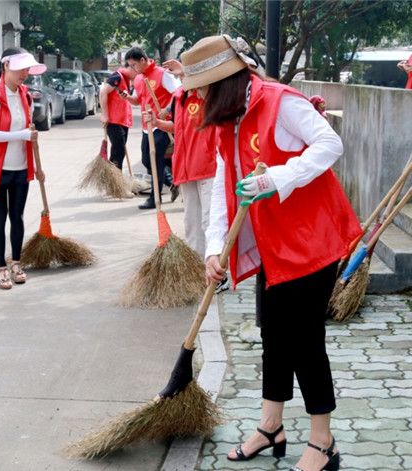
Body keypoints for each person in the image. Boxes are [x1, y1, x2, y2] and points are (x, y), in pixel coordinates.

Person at [181, 35, 362, 471]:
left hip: (310, 242)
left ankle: (323, 442)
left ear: (224, 81)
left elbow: (329, 144)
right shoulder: (230, 120)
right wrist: (213, 248)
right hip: (271, 248)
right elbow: (226, 189)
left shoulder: (281, 102)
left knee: (305, 343)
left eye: (203, 87)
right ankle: (270, 426)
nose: (199, 97)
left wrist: (278, 177)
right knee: (274, 338)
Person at [142, 58, 229, 293]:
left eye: (189, 75)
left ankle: (219, 274)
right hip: (186, 167)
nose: (184, 80)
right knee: (192, 224)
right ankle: (198, 270)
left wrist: (184, 71)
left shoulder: (209, 95)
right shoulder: (179, 96)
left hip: (209, 167)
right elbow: (179, 127)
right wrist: (158, 122)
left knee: (211, 221)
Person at [0, 48, 46, 290]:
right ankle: (0, 268)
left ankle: (16, 263)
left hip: (21, 168)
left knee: (17, 217)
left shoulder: (25, 95)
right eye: (21, 69)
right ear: (6, 66)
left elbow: (31, 135)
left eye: (28, 69)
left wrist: (37, 166)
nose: (25, 74)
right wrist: (23, 135)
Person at [123, 47, 181, 209]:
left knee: (155, 160)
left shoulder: (163, 74)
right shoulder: (139, 79)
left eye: (133, 65)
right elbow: (136, 100)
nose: (132, 69)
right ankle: (172, 181)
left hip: (162, 124)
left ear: (142, 60)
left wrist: (168, 109)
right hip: (146, 124)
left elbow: (178, 93)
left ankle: (155, 198)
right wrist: (126, 97)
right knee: (146, 160)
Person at [99, 64, 137, 170]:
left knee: (120, 152)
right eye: (136, 71)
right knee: (118, 151)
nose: (137, 75)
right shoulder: (117, 77)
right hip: (113, 121)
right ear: (131, 67)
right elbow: (103, 93)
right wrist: (104, 114)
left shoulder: (125, 79)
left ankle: (116, 179)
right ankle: (114, 179)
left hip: (122, 121)